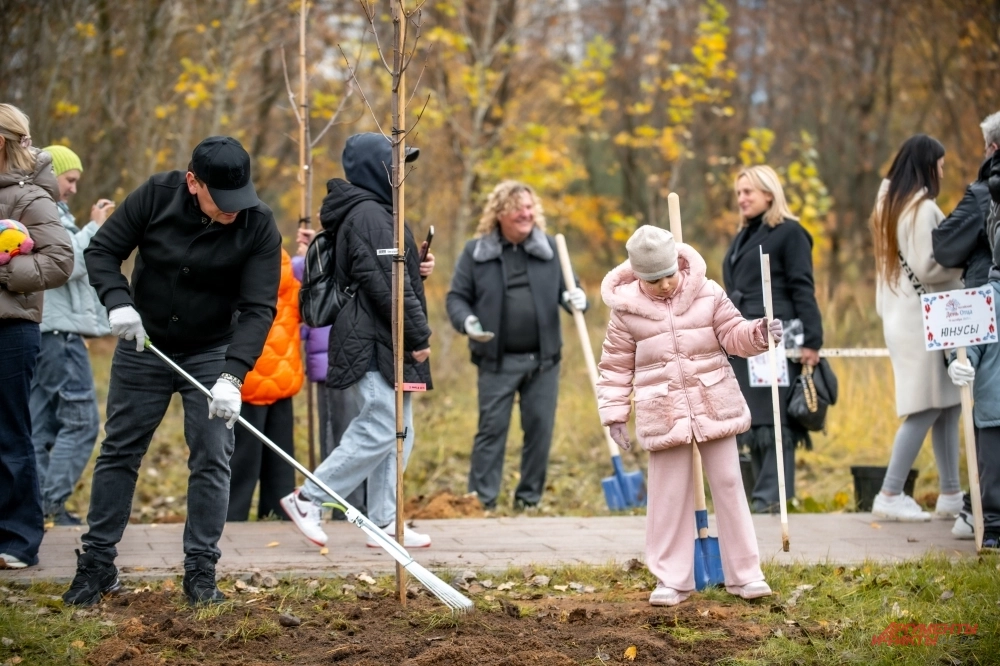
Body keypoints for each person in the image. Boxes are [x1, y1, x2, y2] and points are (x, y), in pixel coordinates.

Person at [63, 136, 281, 605]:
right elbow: (102, 252)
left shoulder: (259, 224)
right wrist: (118, 303)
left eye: (238, 200)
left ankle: (201, 571)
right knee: (120, 448)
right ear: (192, 182)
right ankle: (97, 564)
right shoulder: (155, 195)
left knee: (212, 455)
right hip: (145, 342)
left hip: (211, 350)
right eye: (221, 201)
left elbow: (259, 307)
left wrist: (233, 375)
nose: (232, 211)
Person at [597, 225, 779, 606]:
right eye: (652, 279)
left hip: (714, 401)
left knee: (729, 484)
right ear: (636, 275)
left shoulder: (709, 293)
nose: (663, 285)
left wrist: (760, 333)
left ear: (678, 265)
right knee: (666, 495)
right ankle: (672, 580)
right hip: (661, 411)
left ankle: (746, 574)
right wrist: (615, 414)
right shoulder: (626, 312)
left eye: (668, 275)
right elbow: (614, 367)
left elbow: (734, 334)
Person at [281, 132, 435, 549]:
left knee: (400, 429)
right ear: (376, 168)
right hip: (372, 336)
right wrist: (418, 334)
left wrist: (416, 267)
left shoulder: (380, 212)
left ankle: (384, 521)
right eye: (396, 163)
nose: (403, 171)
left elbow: (387, 273)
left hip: (386, 334)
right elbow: (386, 285)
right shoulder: (369, 214)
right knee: (384, 423)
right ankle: (308, 498)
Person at [446, 180, 587, 511]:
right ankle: (481, 502)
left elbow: (572, 290)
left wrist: (576, 297)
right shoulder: (476, 252)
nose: (526, 214)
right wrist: (467, 322)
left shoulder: (550, 250)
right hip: (496, 360)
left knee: (539, 431)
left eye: (530, 207)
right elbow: (457, 298)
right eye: (518, 208)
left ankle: (528, 501)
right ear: (499, 214)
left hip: (544, 362)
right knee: (491, 431)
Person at [870, 134, 964, 521]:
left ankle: (951, 494)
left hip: (902, 318)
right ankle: (890, 492)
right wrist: (966, 263)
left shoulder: (887, 207)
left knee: (947, 404)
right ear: (928, 166)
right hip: (925, 320)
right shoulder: (921, 209)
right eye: (940, 165)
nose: (942, 171)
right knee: (925, 407)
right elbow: (928, 266)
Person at [722, 165, 823, 513]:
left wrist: (812, 339)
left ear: (769, 193)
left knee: (773, 416)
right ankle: (760, 496)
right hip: (744, 333)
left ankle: (773, 495)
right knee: (752, 415)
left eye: (748, 191)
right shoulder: (744, 235)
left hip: (777, 335)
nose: (742, 199)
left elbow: (802, 286)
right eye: (738, 193)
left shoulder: (790, 233)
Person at [0, 104, 74, 570]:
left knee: (10, 436)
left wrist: (7, 272)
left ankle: (18, 540)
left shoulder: (30, 197)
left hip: (11, 331)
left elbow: (60, 261)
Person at [29, 145, 113, 527]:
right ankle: (47, 503)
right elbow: (67, 265)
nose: (74, 188)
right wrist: (95, 227)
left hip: (50, 333)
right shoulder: (44, 215)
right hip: (56, 336)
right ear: (50, 176)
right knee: (81, 424)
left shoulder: (39, 212)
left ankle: (36, 504)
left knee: (41, 426)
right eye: (70, 180)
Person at [292, 226, 367, 520]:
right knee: (341, 436)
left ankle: (348, 506)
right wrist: (312, 253)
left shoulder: (337, 254)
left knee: (347, 434)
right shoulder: (310, 262)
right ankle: (344, 506)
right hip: (332, 359)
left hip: (341, 355)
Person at [227, 247, 302, 521]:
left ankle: (230, 520)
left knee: (239, 464)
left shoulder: (239, 265)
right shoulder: (290, 279)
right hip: (282, 381)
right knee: (280, 463)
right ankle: (278, 518)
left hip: (245, 381)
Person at [931, 111, 999, 289]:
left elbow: (944, 247)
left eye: (985, 149)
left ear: (993, 148)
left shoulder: (983, 195)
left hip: (991, 305)